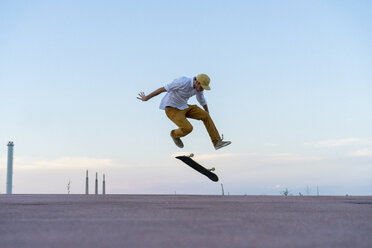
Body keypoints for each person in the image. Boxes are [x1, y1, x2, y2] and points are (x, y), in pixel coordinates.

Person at [137, 74, 231, 150]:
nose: (202, 89)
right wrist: (146, 98)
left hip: (184, 107)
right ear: (197, 82)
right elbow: (162, 89)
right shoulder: (181, 82)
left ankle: (217, 142)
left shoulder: (198, 89)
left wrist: (207, 114)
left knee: (205, 115)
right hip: (171, 109)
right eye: (202, 87)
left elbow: (202, 100)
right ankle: (174, 134)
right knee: (188, 128)